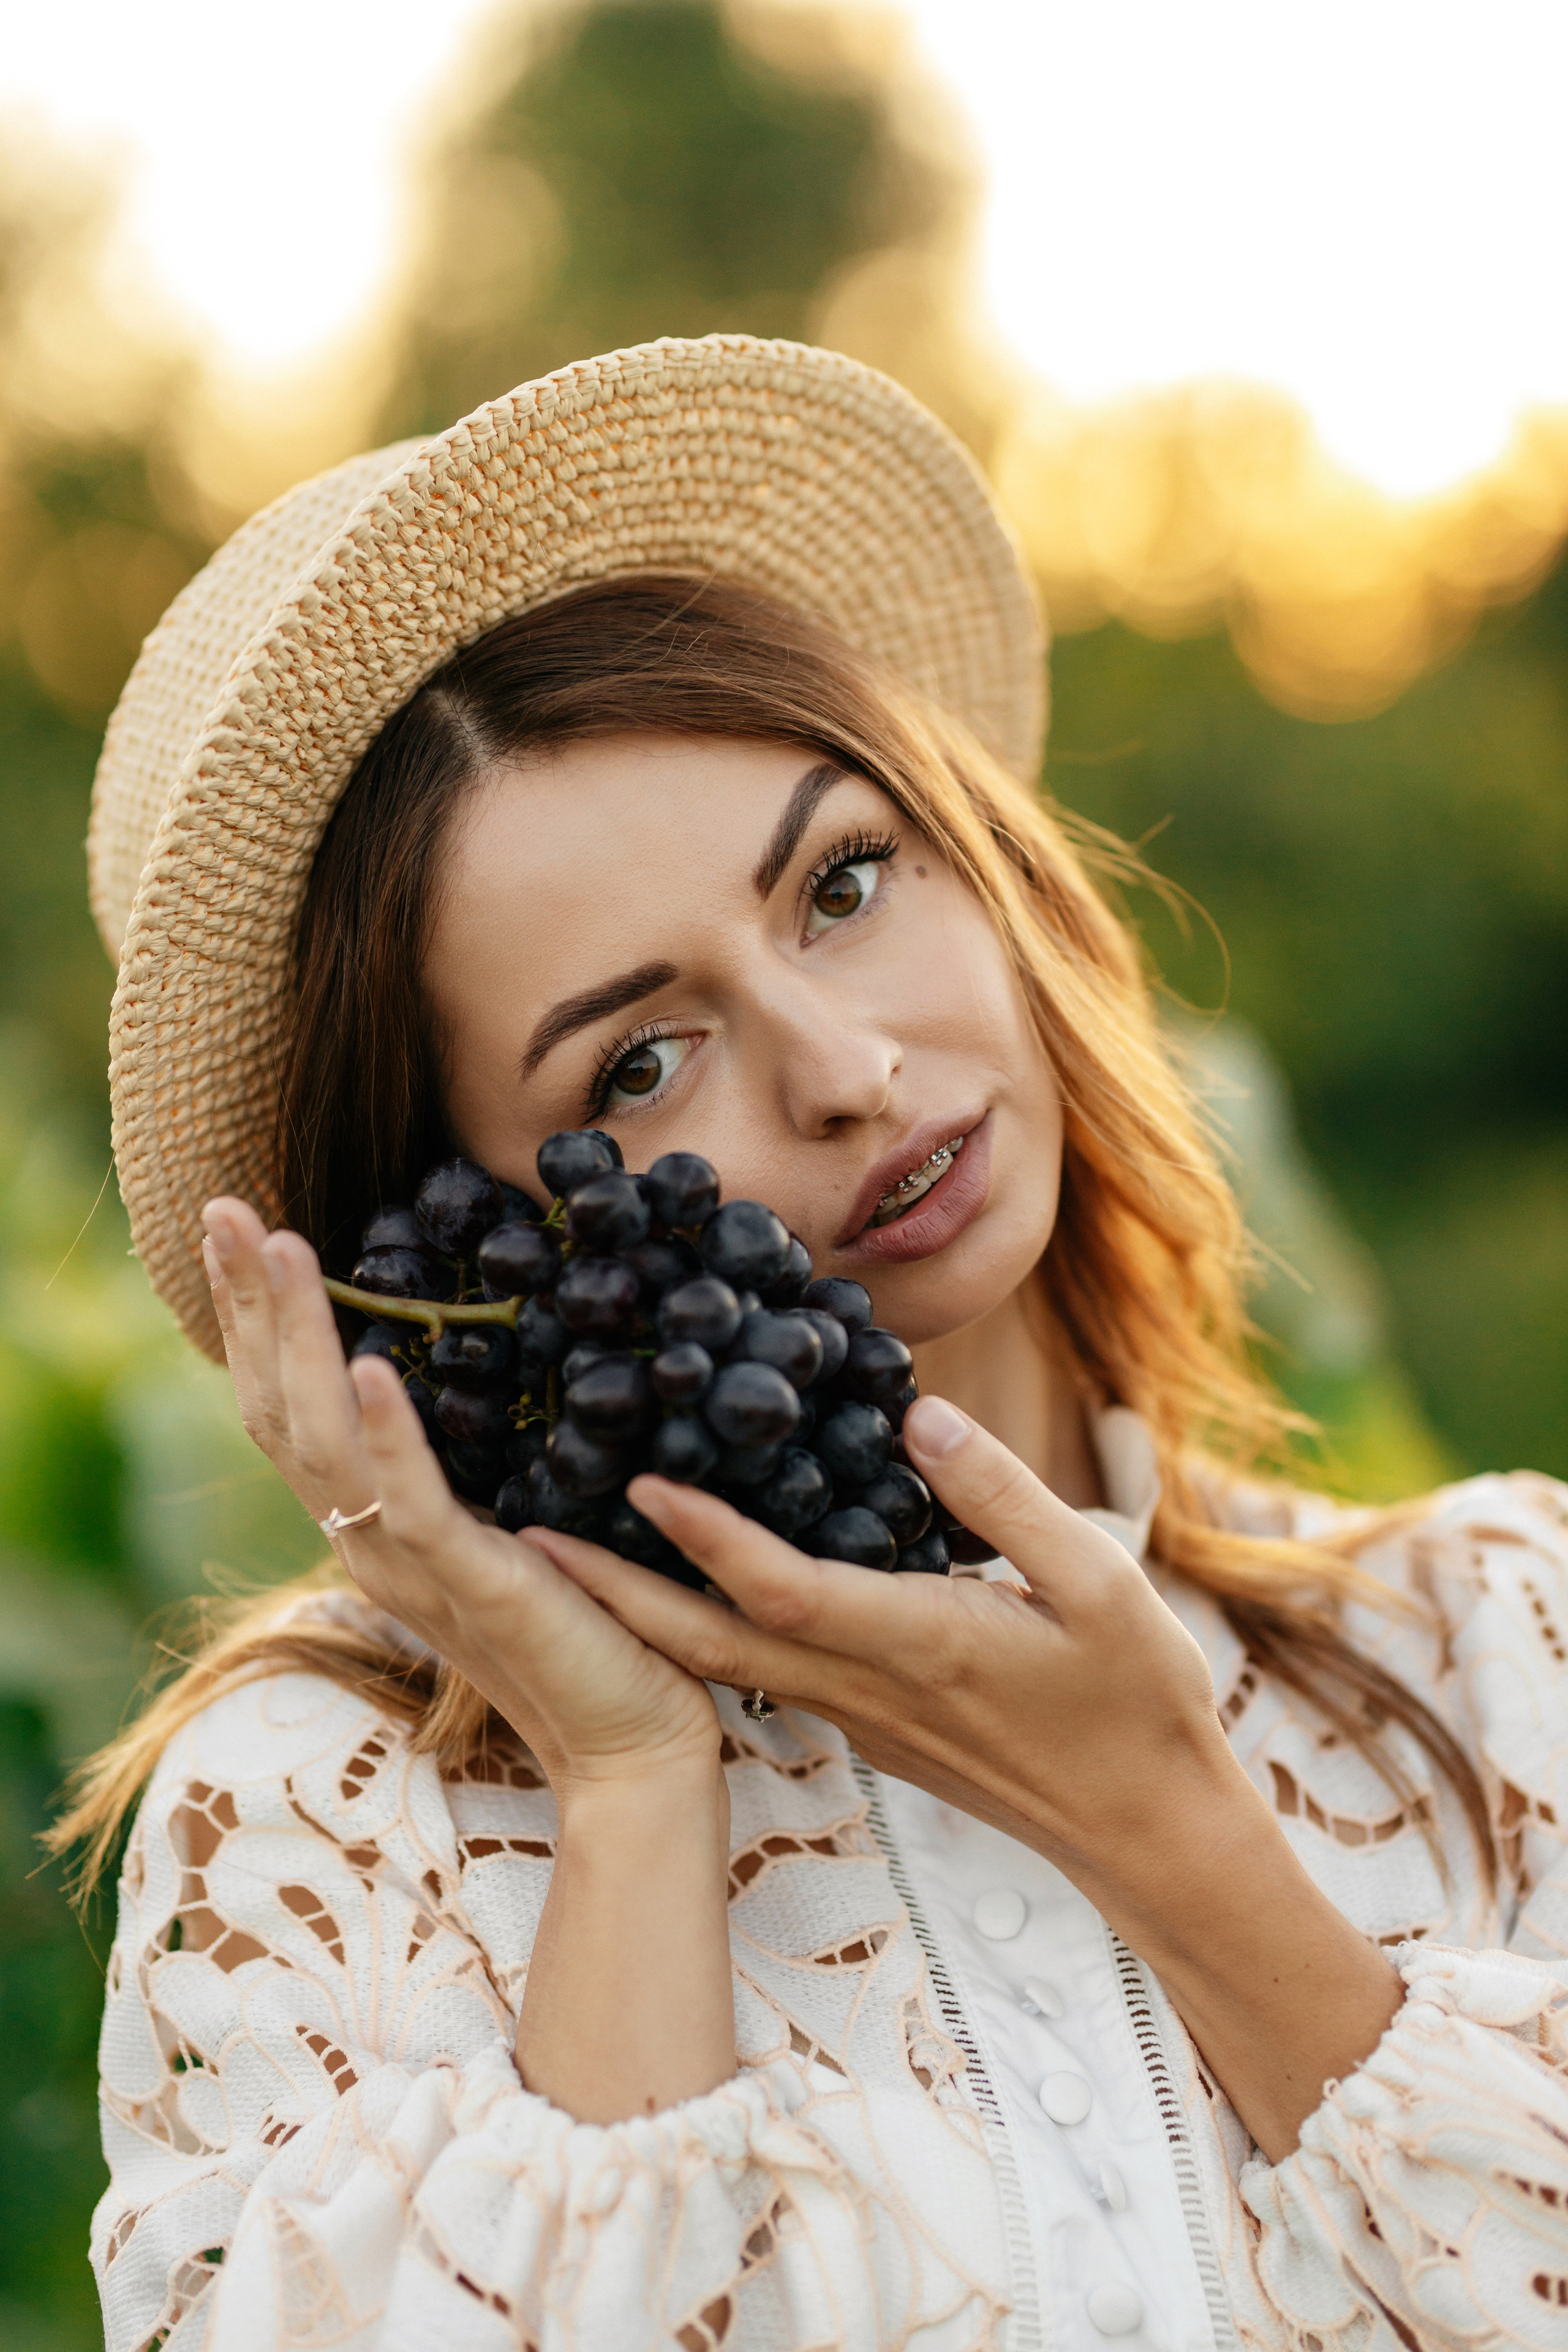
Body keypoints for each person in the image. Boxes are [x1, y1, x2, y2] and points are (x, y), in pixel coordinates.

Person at [59, 337, 1568, 2352]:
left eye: (845, 880)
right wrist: (625, 1778)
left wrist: (1179, 1842)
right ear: (486, 1243)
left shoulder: (1498, 1648)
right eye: (643, 1058)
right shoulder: (330, 1816)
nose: (851, 1071)